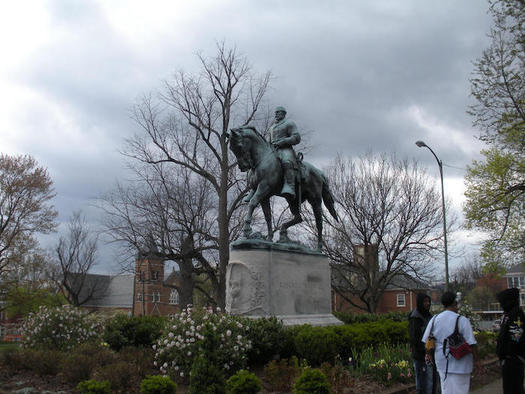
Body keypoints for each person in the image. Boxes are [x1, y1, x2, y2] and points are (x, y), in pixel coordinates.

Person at [422, 291, 480, 394]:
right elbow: (472, 343)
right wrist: (478, 361)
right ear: (454, 303)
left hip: (442, 362)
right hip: (461, 363)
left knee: (446, 390)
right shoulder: (462, 320)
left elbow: (427, 341)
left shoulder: (435, 319)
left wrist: (429, 354)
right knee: (461, 390)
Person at [497, 288, 525, 394]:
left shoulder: (516, 314)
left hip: (513, 359)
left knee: (514, 388)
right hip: (508, 360)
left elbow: (516, 337)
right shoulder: (509, 314)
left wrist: (508, 353)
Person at [268, 106, 301, 199]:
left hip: (286, 149)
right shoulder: (272, 127)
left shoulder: (289, 123)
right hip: (273, 150)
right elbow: (268, 141)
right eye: (275, 112)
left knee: (287, 161)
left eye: (278, 112)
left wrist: (284, 141)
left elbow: (296, 137)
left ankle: (290, 186)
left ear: (283, 113)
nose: (276, 114)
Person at [409, 293, 435, 393]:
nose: (427, 304)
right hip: (420, 356)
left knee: (430, 382)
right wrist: (425, 351)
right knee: (421, 382)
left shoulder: (429, 316)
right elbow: (414, 338)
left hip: (430, 355)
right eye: (425, 301)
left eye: (429, 301)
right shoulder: (414, 318)